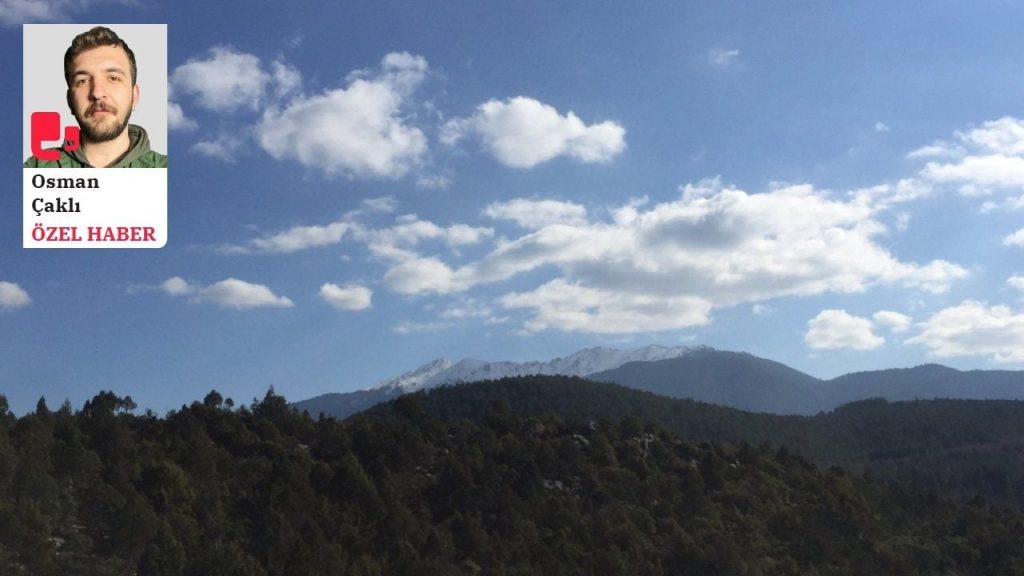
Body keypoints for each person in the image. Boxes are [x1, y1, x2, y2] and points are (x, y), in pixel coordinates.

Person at [24, 26, 167, 168]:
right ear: (69, 101)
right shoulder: (35, 168)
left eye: (113, 78)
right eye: (83, 81)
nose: (97, 93)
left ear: (134, 97)